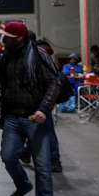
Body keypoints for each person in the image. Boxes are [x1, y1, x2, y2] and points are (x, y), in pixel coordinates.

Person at [0, 21, 60, 196]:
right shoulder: (7, 56)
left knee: (42, 166)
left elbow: (54, 82)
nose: (3, 40)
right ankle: (23, 185)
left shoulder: (38, 55)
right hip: (13, 118)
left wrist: (43, 109)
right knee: (8, 156)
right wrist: (3, 115)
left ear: (19, 39)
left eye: (7, 37)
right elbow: (4, 87)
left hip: (35, 117)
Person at [20, 37, 63, 173]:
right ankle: (27, 154)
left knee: (46, 130)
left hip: (41, 101)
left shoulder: (38, 53)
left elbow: (52, 82)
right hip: (40, 101)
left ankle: (54, 160)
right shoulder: (40, 52)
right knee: (36, 129)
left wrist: (44, 106)